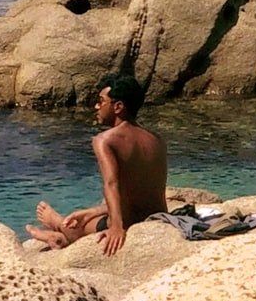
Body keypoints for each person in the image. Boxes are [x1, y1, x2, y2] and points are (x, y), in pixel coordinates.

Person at [27, 74, 168, 255]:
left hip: (129, 221)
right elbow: (138, 193)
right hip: (158, 218)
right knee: (87, 216)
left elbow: (111, 183)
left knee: (77, 226)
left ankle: (58, 228)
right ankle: (66, 228)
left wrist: (116, 227)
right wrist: (92, 211)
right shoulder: (157, 140)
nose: (96, 107)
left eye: (101, 101)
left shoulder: (105, 140)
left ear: (118, 107)